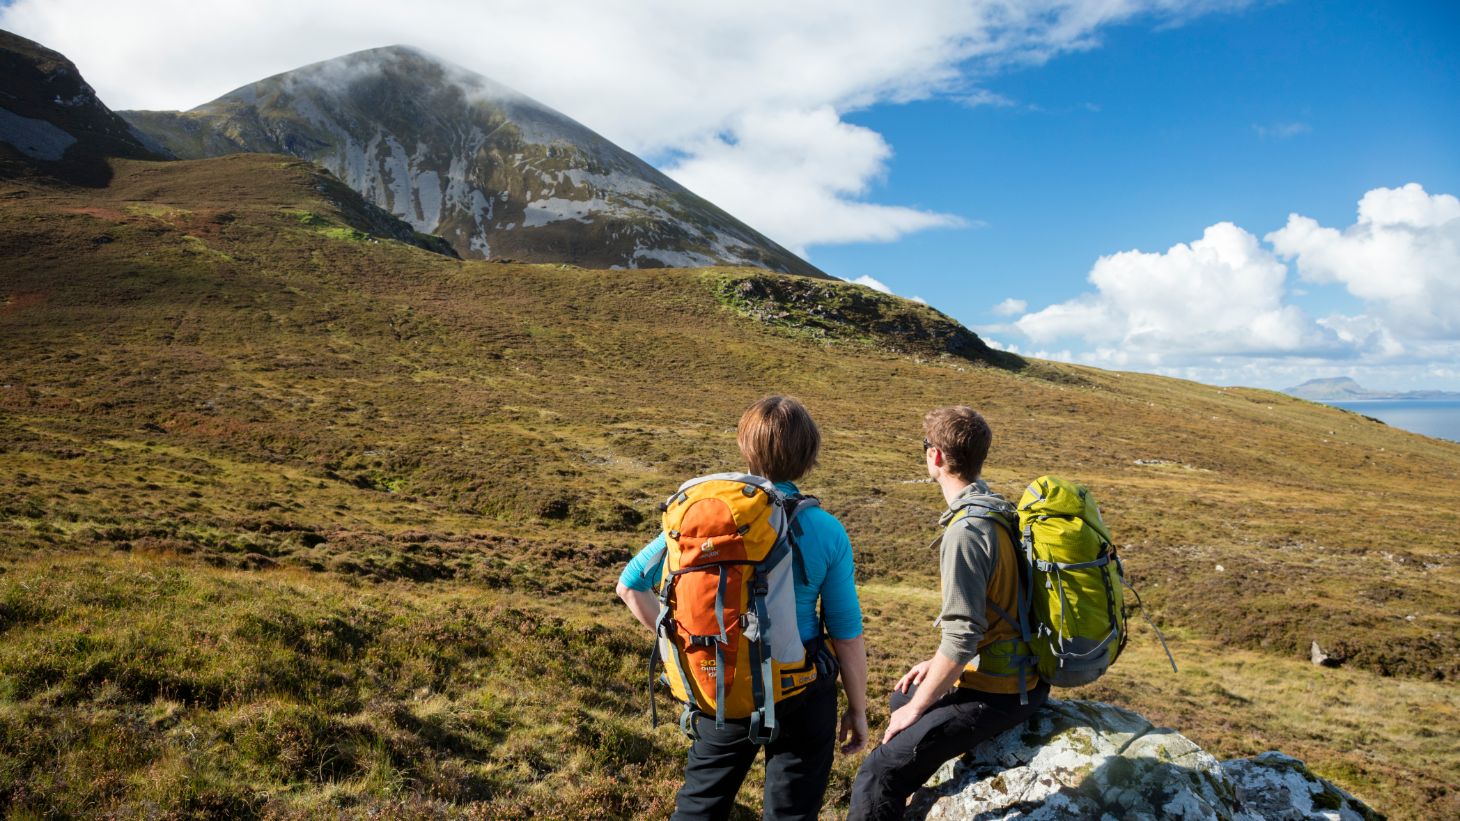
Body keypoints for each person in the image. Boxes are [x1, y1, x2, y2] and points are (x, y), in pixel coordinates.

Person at [616, 395, 869, 821]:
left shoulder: (706, 520)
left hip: (726, 679)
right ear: (809, 456)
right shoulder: (826, 529)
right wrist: (859, 710)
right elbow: (845, 633)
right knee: (791, 814)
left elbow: (629, 586)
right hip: (802, 690)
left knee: (699, 807)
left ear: (746, 450)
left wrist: (688, 644)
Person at [847, 406, 1050, 821]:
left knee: (879, 772)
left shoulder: (966, 531)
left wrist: (919, 708)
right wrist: (928, 680)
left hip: (1000, 693)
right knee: (902, 694)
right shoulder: (996, 508)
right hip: (1021, 674)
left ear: (935, 456)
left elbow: (962, 636)